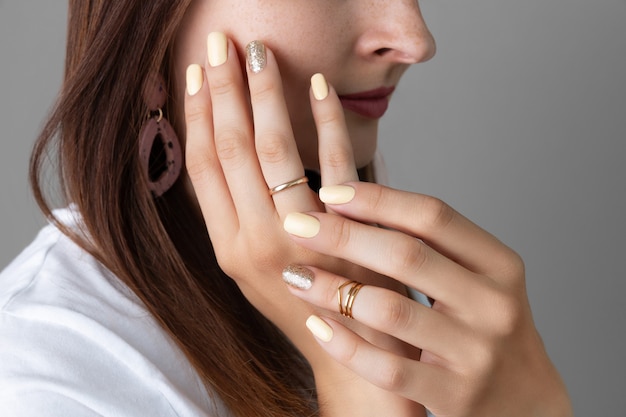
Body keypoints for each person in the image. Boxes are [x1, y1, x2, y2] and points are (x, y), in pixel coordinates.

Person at [0, 1, 572, 416]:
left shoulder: (377, 286)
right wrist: (360, 388)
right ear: (147, 25)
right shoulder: (43, 377)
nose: (413, 39)